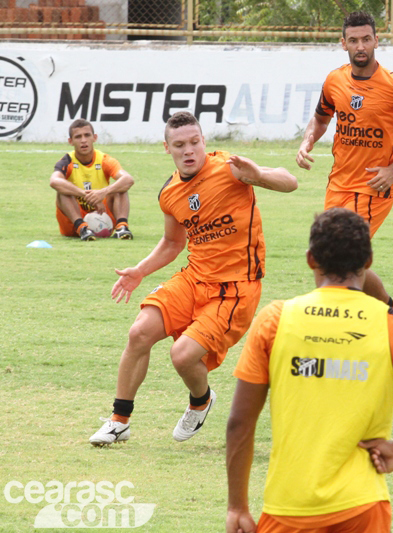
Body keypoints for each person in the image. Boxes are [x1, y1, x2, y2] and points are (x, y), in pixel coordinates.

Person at [226, 208, 393, 533]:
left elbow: (240, 422)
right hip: (362, 507)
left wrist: (237, 506)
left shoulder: (275, 320)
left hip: (289, 507)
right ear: (368, 261)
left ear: (310, 259)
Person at [89, 111, 298, 446]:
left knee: (183, 356)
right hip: (194, 277)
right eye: (180, 144)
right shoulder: (170, 193)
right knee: (139, 331)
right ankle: (119, 421)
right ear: (167, 147)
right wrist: (139, 271)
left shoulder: (230, 167)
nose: (189, 150)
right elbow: (173, 243)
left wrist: (257, 175)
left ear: (204, 141)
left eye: (194, 142)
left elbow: (289, 181)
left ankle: (201, 401)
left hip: (235, 289)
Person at [295, 11, 393, 311]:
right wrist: (307, 142)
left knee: (342, 254)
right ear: (343, 43)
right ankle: (392, 313)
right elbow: (320, 119)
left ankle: (345, 314)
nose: (361, 46)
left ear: (376, 41)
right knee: (325, 255)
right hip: (338, 184)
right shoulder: (335, 80)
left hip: (373, 187)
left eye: (366, 40)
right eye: (354, 40)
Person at [49, 119, 135, 241]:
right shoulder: (67, 160)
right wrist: (85, 195)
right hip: (73, 222)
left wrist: (103, 193)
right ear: (71, 141)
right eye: (78, 137)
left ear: (94, 138)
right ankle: (82, 228)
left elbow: (128, 179)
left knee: (120, 186)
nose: (83, 140)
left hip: (102, 214)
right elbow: (54, 181)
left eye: (87, 135)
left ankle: (122, 227)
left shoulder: (104, 159)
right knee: (62, 190)